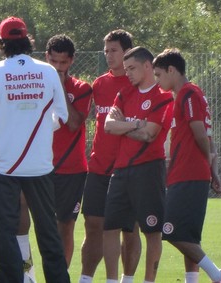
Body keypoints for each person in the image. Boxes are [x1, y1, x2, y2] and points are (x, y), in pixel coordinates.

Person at [0, 16, 70, 283]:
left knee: (3, 232)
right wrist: (36, 133)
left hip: (2, 165)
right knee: (48, 230)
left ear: (0, 43)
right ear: (28, 40)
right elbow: (62, 117)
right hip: (39, 164)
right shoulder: (48, 71)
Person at [152, 49, 221, 283]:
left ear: (172, 70)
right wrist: (212, 169)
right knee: (188, 235)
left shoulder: (188, 93)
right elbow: (208, 135)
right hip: (188, 173)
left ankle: (219, 276)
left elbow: (200, 133)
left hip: (188, 173)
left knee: (171, 231)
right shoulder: (193, 93)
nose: (157, 81)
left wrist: (207, 163)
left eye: (159, 75)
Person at [102, 46, 173, 283]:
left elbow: (150, 135)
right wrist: (136, 125)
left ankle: (148, 280)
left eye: (132, 68)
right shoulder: (124, 93)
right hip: (120, 170)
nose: (128, 73)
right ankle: (113, 280)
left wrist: (127, 127)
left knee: (152, 230)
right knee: (110, 227)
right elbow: (108, 126)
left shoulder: (163, 96)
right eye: (126, 68)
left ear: (147, 66)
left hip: (149, 169)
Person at [79, 30, 142, 283]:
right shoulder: (99, 84)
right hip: (98, 167)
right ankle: (86, 278)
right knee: (93, 225)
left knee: (129, 230)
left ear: (127, 52)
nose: (108, 55)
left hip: (129, 169)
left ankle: (124, 279)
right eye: (106, 51)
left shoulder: (137, 85)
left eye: (113, 50)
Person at [43, 34, 92, 268]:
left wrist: (60, 87)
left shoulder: (82, 89)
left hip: (72, 170)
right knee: (40, 226)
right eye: (54, 62)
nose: (58, 68)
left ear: (71, 61)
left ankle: (59, 275)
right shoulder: (34, 86)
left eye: (63, 63)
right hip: (39, 167)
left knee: (65, 225)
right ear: (46, 58)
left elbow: (73, 123)